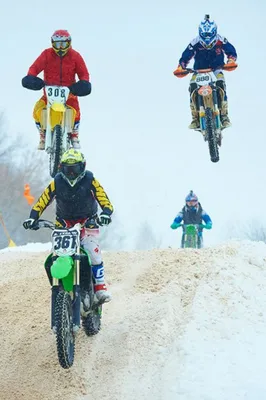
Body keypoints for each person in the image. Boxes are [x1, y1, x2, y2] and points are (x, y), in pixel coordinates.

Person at [23, 149, 113, 303]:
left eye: (75, 169)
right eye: (67, 169)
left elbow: (105, 200)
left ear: (82, 167)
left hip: (88, 222)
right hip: (63, 224)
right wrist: (33, 218)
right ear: (61, 168)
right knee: (57, 254)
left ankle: (99, 287)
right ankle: (59, 287)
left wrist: (105, 214)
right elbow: (42, 200)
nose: (71, 173)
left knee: (92, 251)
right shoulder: (57, 182)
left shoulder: (90, 180)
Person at [22, 30, 91, 150]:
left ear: (69, 43)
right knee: (37, 110)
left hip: (69, 93)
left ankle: (74, 134)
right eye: (57, 44)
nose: (60, 48)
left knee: (75, 109)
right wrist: (31, 78)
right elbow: (34, 68)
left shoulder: (75, 56)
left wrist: (83, 84)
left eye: (63, 44)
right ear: (52, 43)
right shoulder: (46, 54)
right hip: (48, 94)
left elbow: (84, 74)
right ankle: (43, 134)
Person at [173, 15, 237, 130]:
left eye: (209, 35)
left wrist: (231, 60)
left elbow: (231, 50)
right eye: (204, 35)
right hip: (198, 71)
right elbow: (186, 55)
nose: (207, 39)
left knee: (221, 84)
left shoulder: (221, 40)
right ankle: (195, 118)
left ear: (214, 32)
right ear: (200, 33)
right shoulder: (195, 42)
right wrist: (181, 67)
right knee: (192, 87)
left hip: (216, 69)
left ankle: (224, 116)